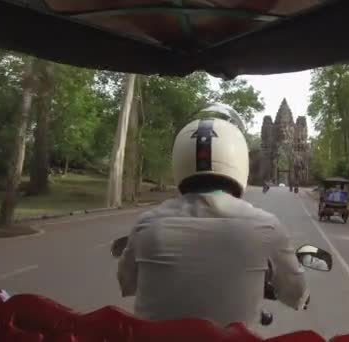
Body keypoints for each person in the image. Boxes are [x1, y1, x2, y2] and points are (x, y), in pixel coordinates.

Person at [115, 109, 309, 327]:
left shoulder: (147, 224)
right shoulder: (266, 226)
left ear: (180, 161)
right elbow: (296, 293)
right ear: (238, 161)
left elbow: (127, 283)